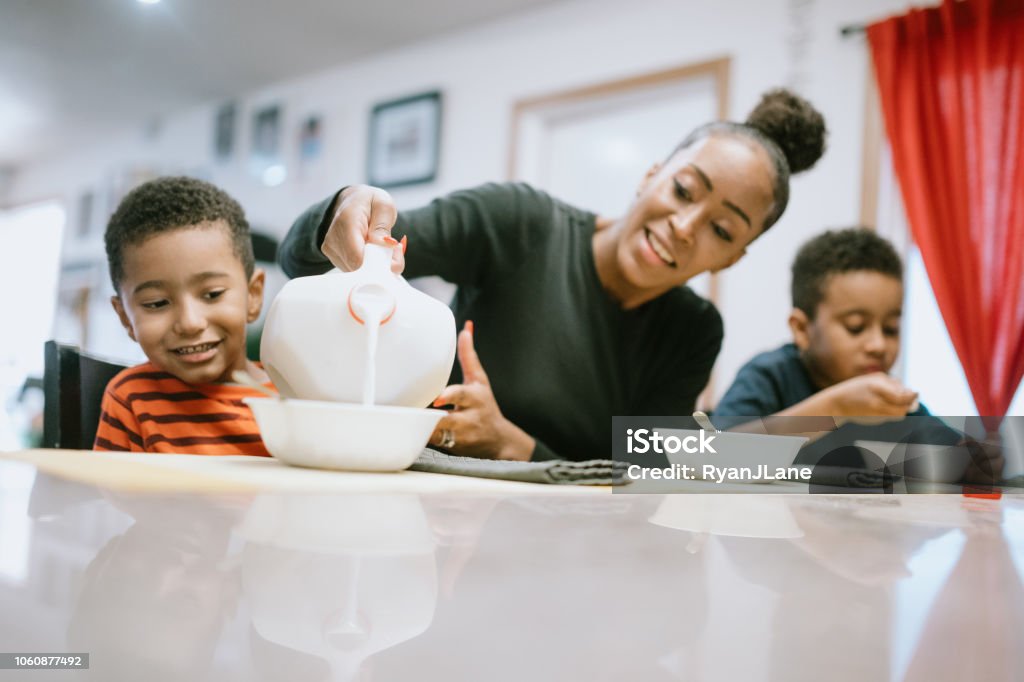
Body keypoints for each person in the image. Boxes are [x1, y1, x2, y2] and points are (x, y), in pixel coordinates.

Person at [280, 89, 827, 462]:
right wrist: (348, 208)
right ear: (651, 175)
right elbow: (303, 260)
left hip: (569, 557)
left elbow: (636, 478)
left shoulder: (693, 330)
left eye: (723, 231)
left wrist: (511, 444)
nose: (685, 227)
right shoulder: (519, 223)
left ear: (732, 258)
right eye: (684, 190)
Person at [714, 227, 1004, 483]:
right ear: (802, 329)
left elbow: (954, 458)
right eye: (856, 327)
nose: (878, 344)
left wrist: (974, 465)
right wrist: (836, 408)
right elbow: (716, 456)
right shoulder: (770, 375)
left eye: (890, 329)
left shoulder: (892, 404)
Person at [93, 176, 275, 455]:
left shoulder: (297, 395)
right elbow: (111, 498)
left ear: (253, 296)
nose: (190, 323)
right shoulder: (131, 400)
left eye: (213, 294)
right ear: (126, 318)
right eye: (156, 303)